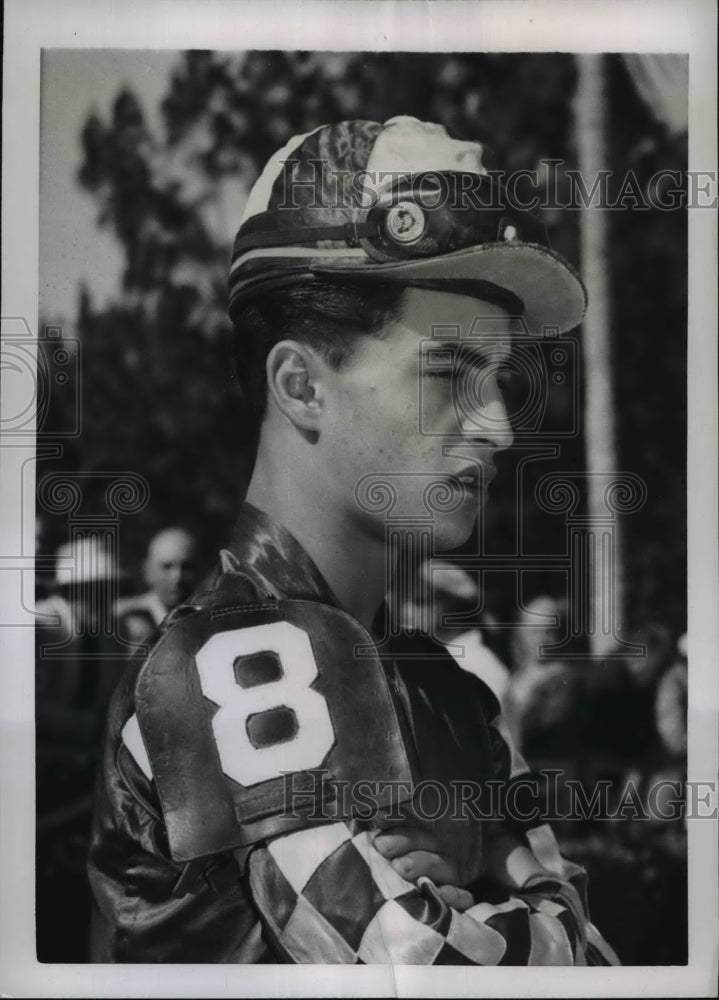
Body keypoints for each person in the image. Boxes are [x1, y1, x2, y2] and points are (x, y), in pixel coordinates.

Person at [88, 116, 618, 964]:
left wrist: (473, 905)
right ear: (301, 384)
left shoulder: (444, 686)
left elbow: (598, 960)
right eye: (447, 373)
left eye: (498, 379)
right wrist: (510, 895)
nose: (498, 430)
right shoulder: (222, 663)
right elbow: (416, 965)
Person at [114, 527, 201, 645]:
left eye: (187, 567)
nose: (177, 577)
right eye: (167, 566)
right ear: (147, 571)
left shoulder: (207, 620)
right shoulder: (122, 619)